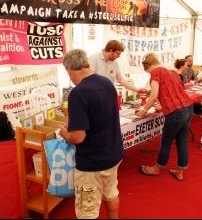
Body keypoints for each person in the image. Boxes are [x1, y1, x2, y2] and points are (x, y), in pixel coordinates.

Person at [58, 49, 124, 219]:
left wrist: (65, 134)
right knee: (111, 194)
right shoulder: (106, 82)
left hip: (93, 162)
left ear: (69, 70)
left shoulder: (78, 93)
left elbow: (78, 137)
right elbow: (100, 117)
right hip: (113, 154)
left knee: (86, 212)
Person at [136, 53, 194, 181]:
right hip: (188, 107)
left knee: (166, 142)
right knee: (182, 141)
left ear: (150, 66)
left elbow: (154, 95)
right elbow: (177, 91)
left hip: (176, 111)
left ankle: (157, 168)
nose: (149, 74)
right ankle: (180, 171)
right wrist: (163, 106)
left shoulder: (155, 72)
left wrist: (143, 111)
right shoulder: (172, 72)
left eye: (148, 71)